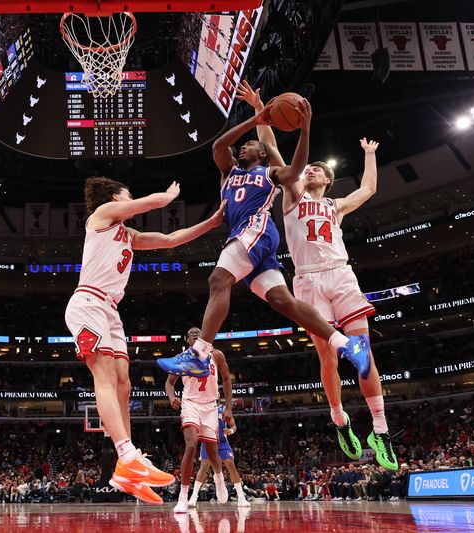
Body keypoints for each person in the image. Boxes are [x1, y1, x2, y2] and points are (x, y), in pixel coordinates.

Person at [236, 80, 397, 471]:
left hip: (341, 276)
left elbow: (370, 188)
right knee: (327, 356)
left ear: (326, 180)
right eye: (306, 168)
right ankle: (340, 419)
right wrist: (262, 112)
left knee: (364, 356)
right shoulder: (291, 195)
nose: (309, 170)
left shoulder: (337, 206)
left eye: (316, 170)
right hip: (307, 279)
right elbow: (273, 149)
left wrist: (369, 154)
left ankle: (380, 429)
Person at [157, 98, 371, 380]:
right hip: (247, 238)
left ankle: (199, 353)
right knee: (283, 301)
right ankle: (347, 344)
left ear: (262, 154)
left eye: (250, 145)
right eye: (242, 146)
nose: (243, 146)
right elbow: (218, 147)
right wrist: (255, 120)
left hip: (256, 229)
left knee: (218, 280)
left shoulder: (269, 173)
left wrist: (304, 131)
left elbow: (295, 172)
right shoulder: (228, 172)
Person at [64, 177, 226, 504]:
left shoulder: (128, 235)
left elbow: (169, 240)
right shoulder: (103, 214)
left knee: (124, 384)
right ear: (113, 196)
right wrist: (165, 196)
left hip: (110, 309)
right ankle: (126, 455)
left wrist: (212, 221)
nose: (131, 198)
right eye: (128, 194)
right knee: (106, 376)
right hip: (88, 302)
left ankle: (128, 468)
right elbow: (148, 203)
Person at [165, 327, 232, 513]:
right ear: (187, 340)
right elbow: (169, 383)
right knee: (191, 446)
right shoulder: (182, 358)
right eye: (191, 333)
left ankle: (219, 478)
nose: (195, 334)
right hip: (190, 404)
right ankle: (183, 497)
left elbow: (226, 379)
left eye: (198, 332)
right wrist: (171, 397)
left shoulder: (216, 355)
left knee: (212, 454)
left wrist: (228, 407)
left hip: (211, 406)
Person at [187, 401, 250, 508]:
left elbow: (234, 426)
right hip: (207, 441)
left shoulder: (224, 409)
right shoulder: (203, 407)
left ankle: (241, 497)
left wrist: (230, 431)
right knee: (204, 467)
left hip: (222, 443)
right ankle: (193, 497)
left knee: (231, 464)